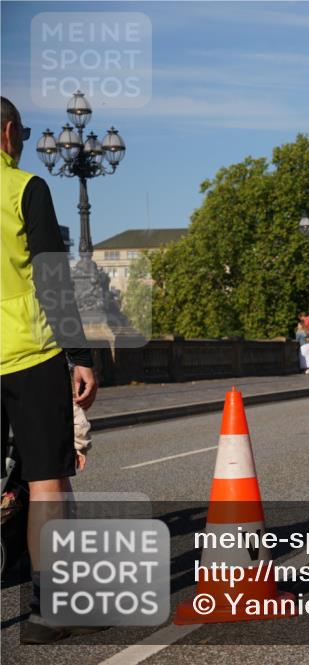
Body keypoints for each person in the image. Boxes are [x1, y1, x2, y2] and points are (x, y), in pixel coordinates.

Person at [1, 97, 101, 644]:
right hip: (28, 354)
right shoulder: (23, 188)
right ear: (10, 133)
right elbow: (51, 278)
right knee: (45, 483)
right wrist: (80, 356)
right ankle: (46, 611)